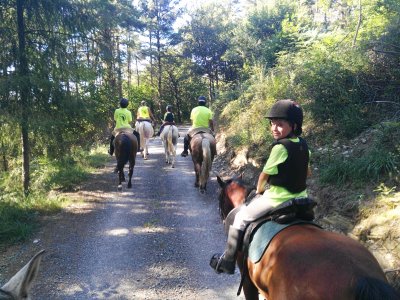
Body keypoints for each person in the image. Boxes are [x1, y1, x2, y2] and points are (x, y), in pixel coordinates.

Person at [209, 99, 311, 274]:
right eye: (272, 124)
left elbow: (264, 175)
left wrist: (259, 191)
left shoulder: (280, 148)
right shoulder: (304, 145)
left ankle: (227, 260)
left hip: (277, 199)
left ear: (293, 126)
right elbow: (307, 172)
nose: (274, 128)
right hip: (302, 197)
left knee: (241, 218)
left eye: (280, 124)